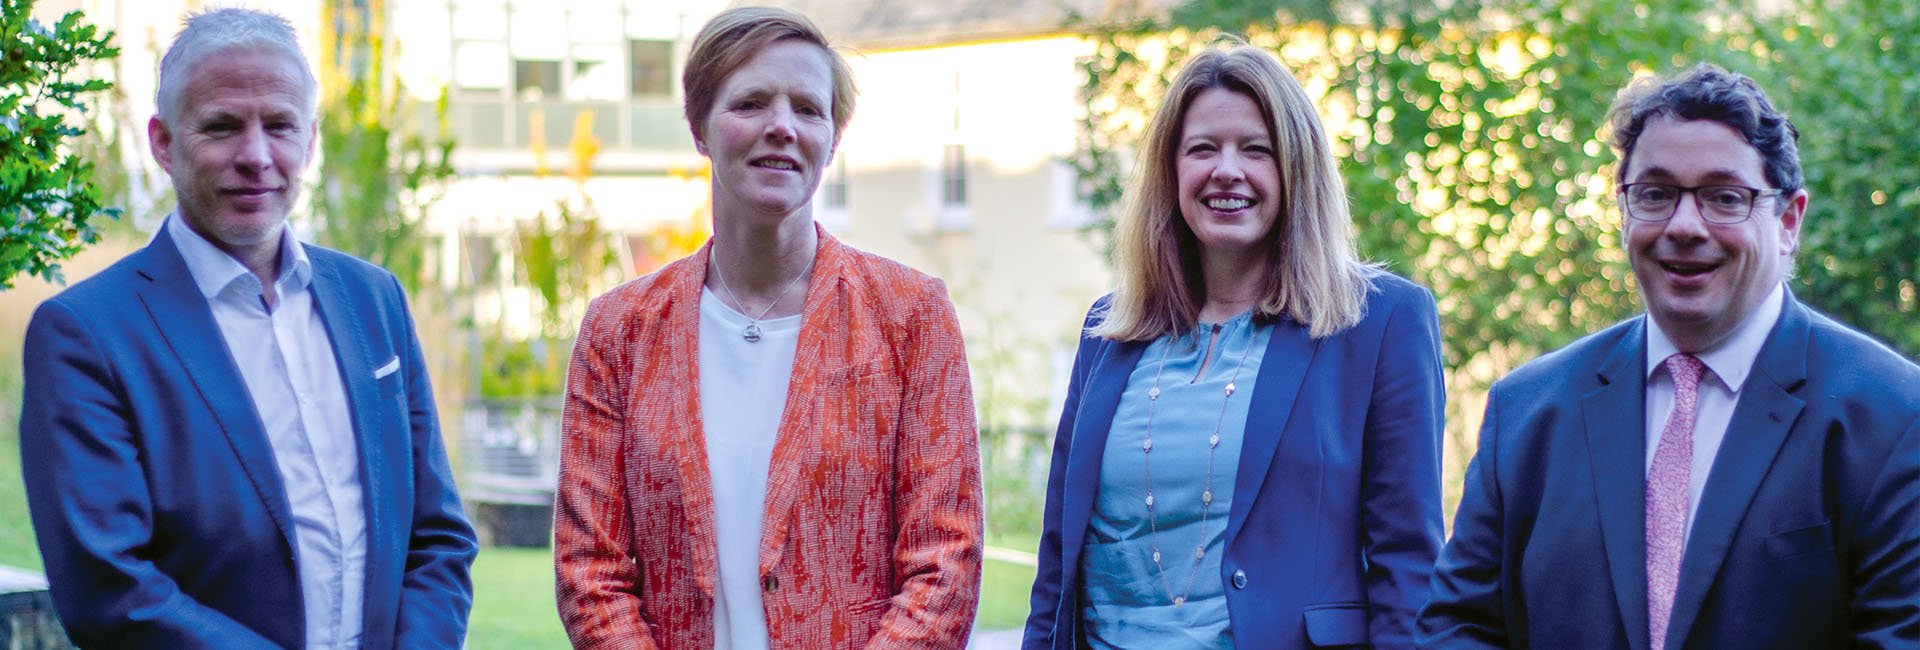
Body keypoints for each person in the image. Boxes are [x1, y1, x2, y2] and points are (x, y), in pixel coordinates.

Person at [18, 8, 477, 649]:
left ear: (310, 139)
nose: (256, 156)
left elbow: (438, 536)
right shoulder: (86, 334)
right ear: (163, 143)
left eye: (280, 126)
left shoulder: (375, 300)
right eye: (222, 126)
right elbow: (109, 587)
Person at [1418, 63, 1920, 649]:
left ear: (1787, 221)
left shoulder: (1892, 416)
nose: (1684, 226)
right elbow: (1458, 629)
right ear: (1623, 212)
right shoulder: (1526, 412)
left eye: (1724, 198)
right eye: (1655, 195)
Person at [552, 6, 983, 649]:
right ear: (700, 128)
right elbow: (590, 570)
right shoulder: (620, 330)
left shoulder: (911, 316)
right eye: (751, 103)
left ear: (832, 139)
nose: (781, 126)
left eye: (807, 109)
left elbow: (944, 562)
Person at [1023, 42, 1446, 650]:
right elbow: (1059, 558)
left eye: (1257, 150)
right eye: (1202, 149)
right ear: (1171, 173)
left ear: (1296, 169)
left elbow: (1408, 564)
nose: (1227, 170)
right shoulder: (1109, 329)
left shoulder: (1379, 321)